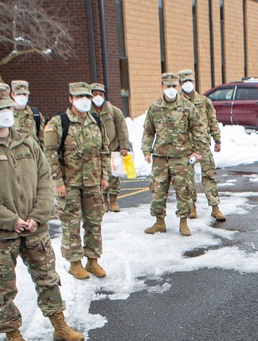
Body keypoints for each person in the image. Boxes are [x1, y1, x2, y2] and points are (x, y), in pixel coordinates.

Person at [0, 82, 85, 341]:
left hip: (34, 228)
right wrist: (9, 219)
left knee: (48, 278)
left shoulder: (27, 142)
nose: (6, 113)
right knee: (3, 287)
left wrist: (38, 215)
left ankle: (59, 324)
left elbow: (44, 179)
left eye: (7, 107)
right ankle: (13, 335)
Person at [43, 82, 110, 280]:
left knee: (94, 222)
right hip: (69, 183)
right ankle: (75, 263)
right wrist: (57, 183)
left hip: (92, 182)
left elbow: (104, 151)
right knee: (71, 224)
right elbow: (50, 154)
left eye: (87, 97)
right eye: (79, 97)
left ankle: (93, 260)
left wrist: (104, 176)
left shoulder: (96, 122)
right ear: (71, 99)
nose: (84, 101)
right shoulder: (58, 123)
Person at [142, 73, 206, 237]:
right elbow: (148, 131)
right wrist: (146, 150)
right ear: (161, 86)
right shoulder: (155, 107)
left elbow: (198, 128)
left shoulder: (186, 106)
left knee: (183, 190)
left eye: (173, 86)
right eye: (167, 86)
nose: (171, 89)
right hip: (160, 158)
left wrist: (198, 151)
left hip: (181, 157)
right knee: (157, 190)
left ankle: (183, 222)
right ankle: (159, 222)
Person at [178, 69, 226, 221]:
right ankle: (192, 207)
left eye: (190, 81)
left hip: (202, 145)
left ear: (194, 82)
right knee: (187, 178)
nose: (188, 84)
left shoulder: (204, 101)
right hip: (185, 147)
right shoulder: (177, 103)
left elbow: (212, 121)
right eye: (184, 82)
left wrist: (217, 139)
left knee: (209, 176)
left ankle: (215, 207)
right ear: (180, 84)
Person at [90, 83, 130, 212]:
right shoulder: (87, 112)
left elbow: (122, 129)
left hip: (112, 149)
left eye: (100, 94)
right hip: (96, 151)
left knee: (113, 176)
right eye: (94, 94)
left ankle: (113, 200)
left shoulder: (113, 111)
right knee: (99, 176)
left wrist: (124, 146)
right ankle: (103, 201)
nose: (97, 97)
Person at [10, 80, 44, 146]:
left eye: (24, 94)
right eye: (19, 94)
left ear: (28, 95)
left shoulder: (35, 114)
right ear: (12, 94)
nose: (22, 97)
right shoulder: (7, 114)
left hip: (33, 153)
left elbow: (42, 139)